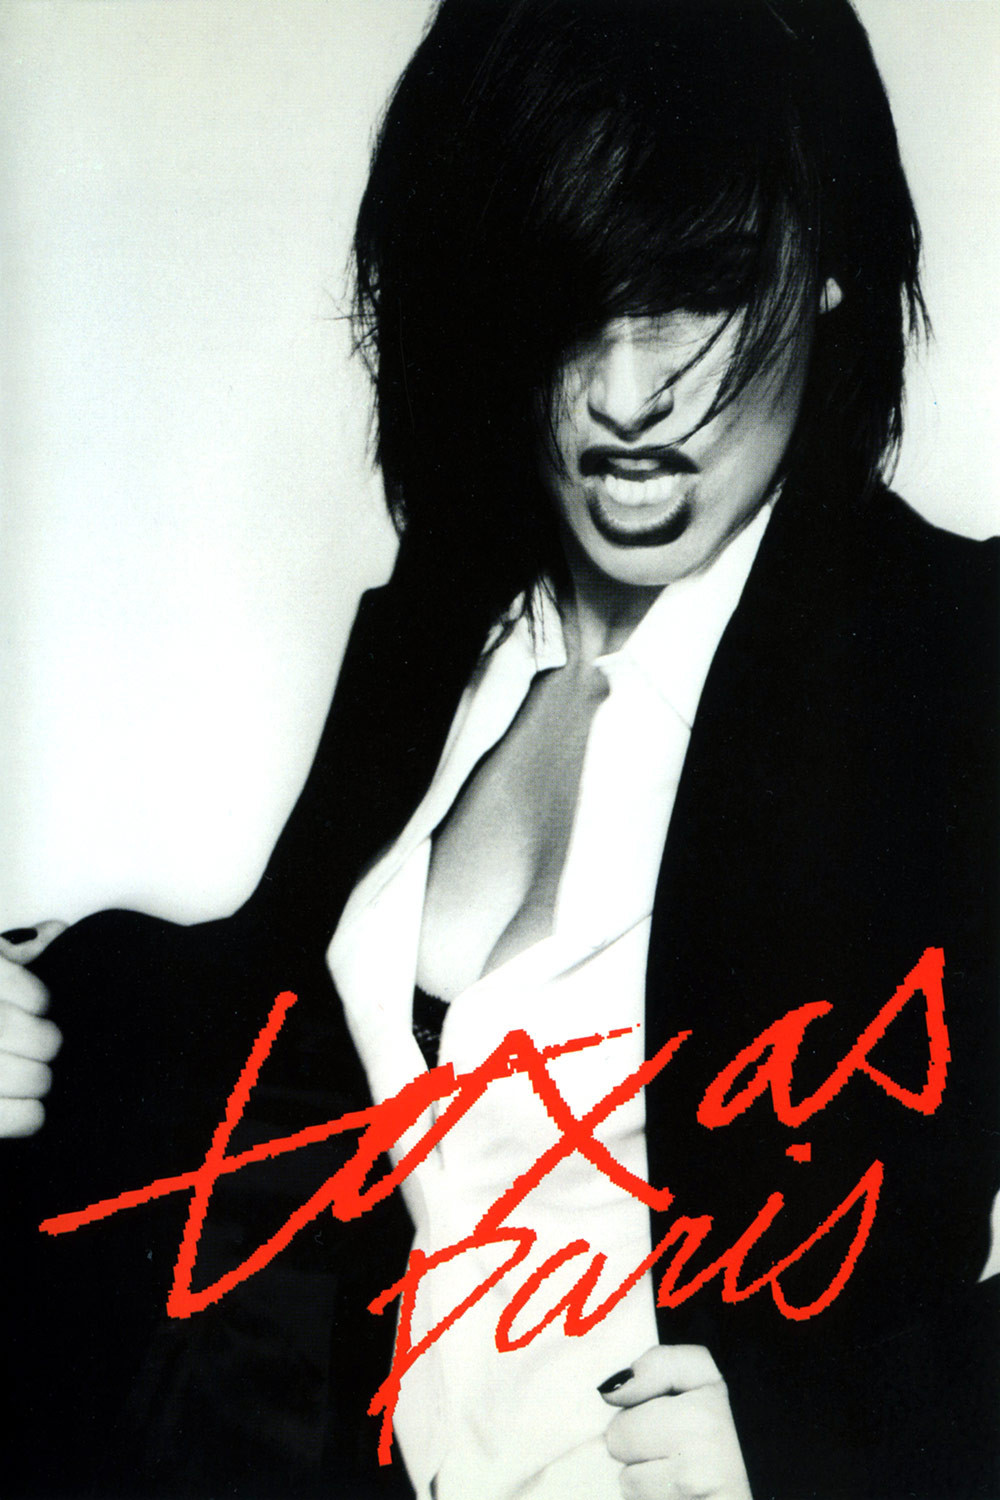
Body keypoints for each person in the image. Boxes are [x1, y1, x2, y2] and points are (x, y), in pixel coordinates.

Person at [3, 1, 997, 1497]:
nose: (624, 392)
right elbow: (270, 1046)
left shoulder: (954, 659)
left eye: (701, 286)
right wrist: (41, 1006)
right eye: (567, 298)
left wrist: (849, 1438)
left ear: (833, 264)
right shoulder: (443, 639)